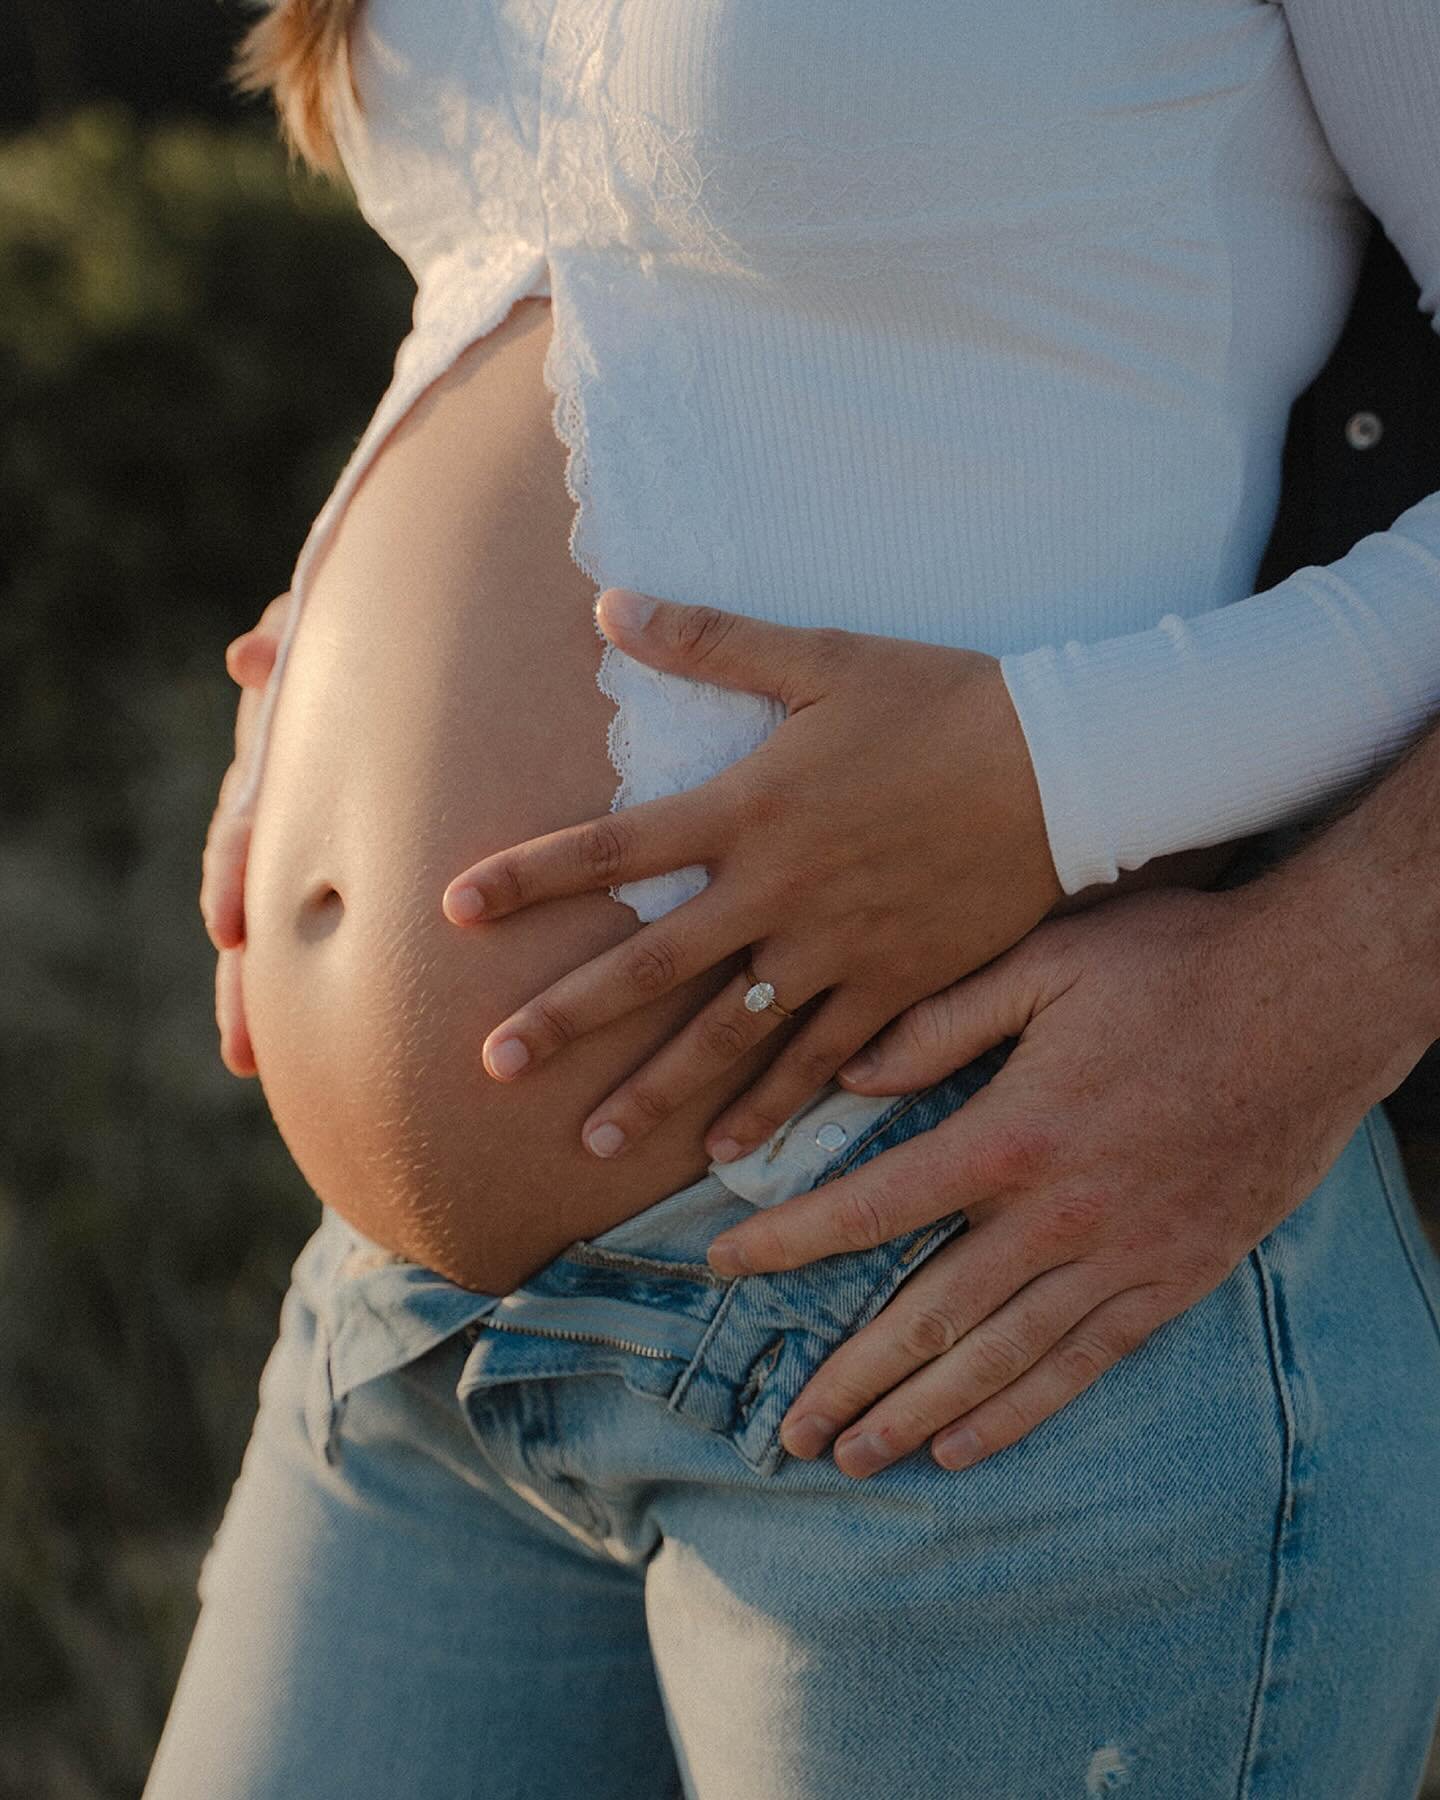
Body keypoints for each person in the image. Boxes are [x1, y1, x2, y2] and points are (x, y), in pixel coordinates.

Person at [154, 0, 1440, 1793]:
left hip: (969, 1293)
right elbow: (586, 265)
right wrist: (332, 675)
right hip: (418, 1328)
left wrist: (1073, 773)